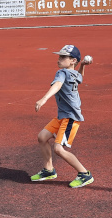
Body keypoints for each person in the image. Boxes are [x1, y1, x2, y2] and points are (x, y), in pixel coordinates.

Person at [31, 45, 94, 187]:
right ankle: (48, 170)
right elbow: (80, 78)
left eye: (62, 57)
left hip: (70, 118)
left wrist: (44, 98)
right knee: (42, 137)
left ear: (72, 60)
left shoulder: (62, 73)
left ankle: (84, 174)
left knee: (58, 149)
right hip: (63, 116)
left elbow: (58, 85)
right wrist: (82, 65)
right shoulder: (74, 74)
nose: (58, 59)